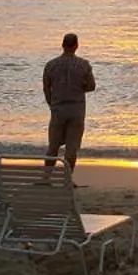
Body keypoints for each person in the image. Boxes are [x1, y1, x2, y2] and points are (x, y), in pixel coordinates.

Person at [41, 32, 96, 173]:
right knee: (71, 148)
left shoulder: (51, 65)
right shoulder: (84, 65)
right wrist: (79, 86)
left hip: (58, 108)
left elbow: (46, 89)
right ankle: (67, 179)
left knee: (53, 147)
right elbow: (91, 86)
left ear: (62, 45)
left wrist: (51, 104)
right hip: (76, 108)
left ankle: (46, 177)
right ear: (76, 46)